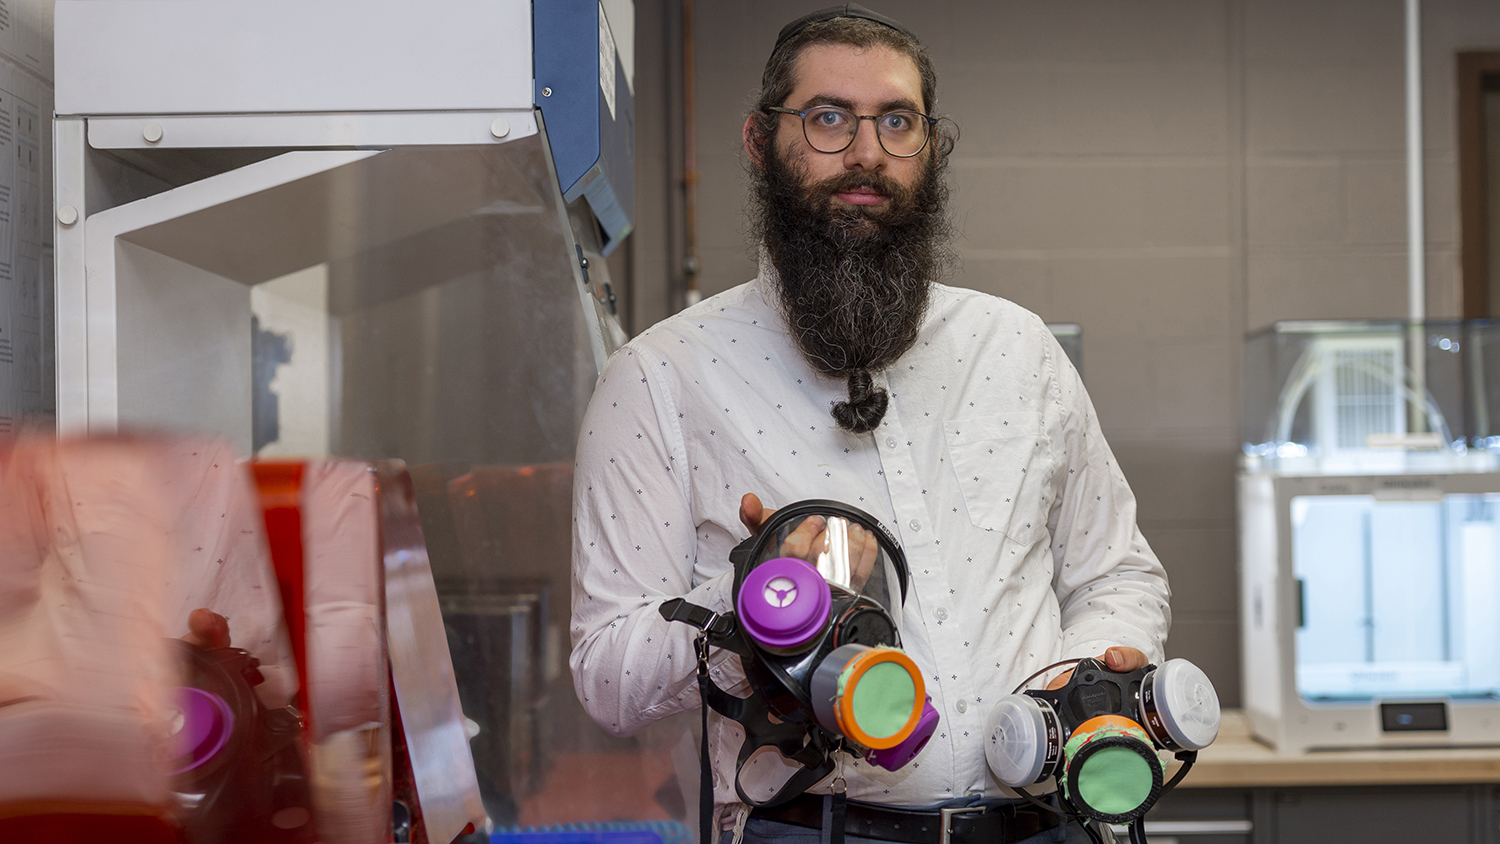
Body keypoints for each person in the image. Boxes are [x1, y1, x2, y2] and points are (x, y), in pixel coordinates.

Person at [569, 5, 1171, 844]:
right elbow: (605, 678)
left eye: (898, 121)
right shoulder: (661, 377)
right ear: (757, 142)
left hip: (1050, 824)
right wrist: (754, 603)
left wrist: (1088, 673)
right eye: (827, 119)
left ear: (931, 145)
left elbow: (1119, 577)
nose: (867, 154)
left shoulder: (1017, 348)